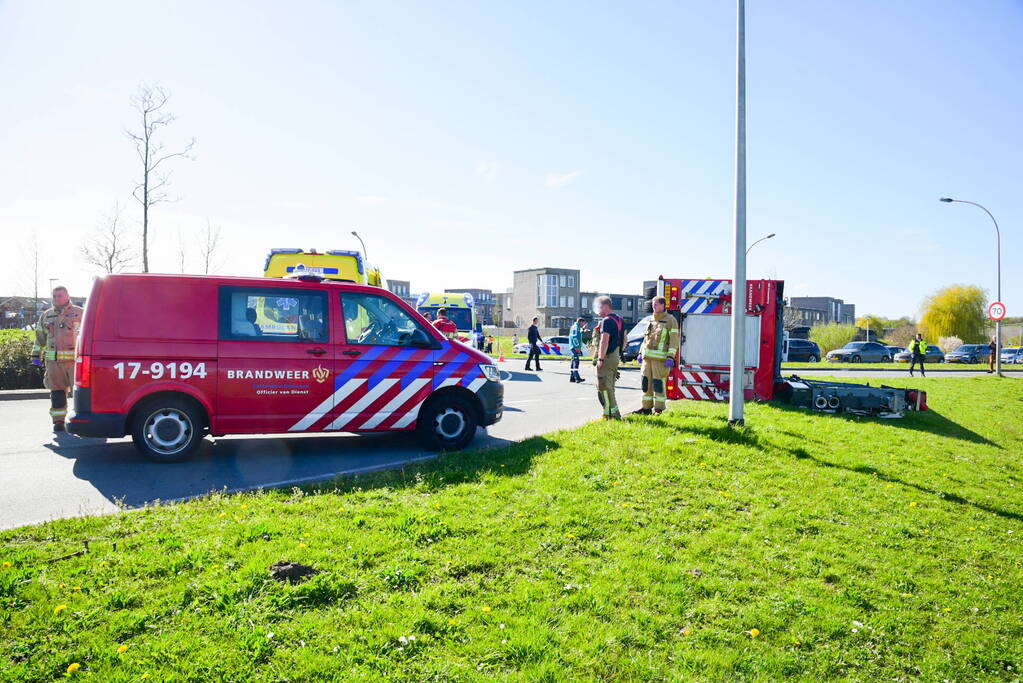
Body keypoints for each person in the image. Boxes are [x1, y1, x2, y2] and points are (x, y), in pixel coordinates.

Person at [30, 286, 83, 432]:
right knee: (57, 392)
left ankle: (83, 419)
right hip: (53, 364)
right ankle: (58, 421)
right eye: (54, 296)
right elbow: (40, 337)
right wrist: (35, 355)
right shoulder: (46, 315)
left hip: (75, 363)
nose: (56, 298)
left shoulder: (80, 313)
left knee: (80, 392)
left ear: (67, 296)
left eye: (60, 295)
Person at [635, 296, 679, 414]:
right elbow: (646, 338)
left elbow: (674, 341)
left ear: (663, 305)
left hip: (660, 360)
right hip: (647, 359)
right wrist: (640, 352)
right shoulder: (651, 320)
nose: (654, 306)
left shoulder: (671, 320)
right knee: (645, 384)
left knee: (658, 384)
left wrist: (670, 356)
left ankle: (659, 409)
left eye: (656, 304)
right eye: (653, 304)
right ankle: (646, 408)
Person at [591, 296, 623, 419]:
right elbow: (624, 339)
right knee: (610, 387)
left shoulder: (606, 321)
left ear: (605, 307)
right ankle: (610, 414)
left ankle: (611, 415)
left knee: (604, 387)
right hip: (615, 356)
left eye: (599, 306)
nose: (597, 309)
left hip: (607, 357)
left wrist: (600, 359)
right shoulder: (619, 319)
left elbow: (604, 341)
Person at [568, 317, 587, 383]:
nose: (583, 324)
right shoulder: (576, 327)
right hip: (574, 347)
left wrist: (583, 330)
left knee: (573, 361)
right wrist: (577, 347)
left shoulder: (576, 327)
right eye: (583, 323)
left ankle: (572, 378)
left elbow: (578, 334)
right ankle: (577, 378)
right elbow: (575, 337)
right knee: (576, 362)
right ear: (580, 322)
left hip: (573, 346)